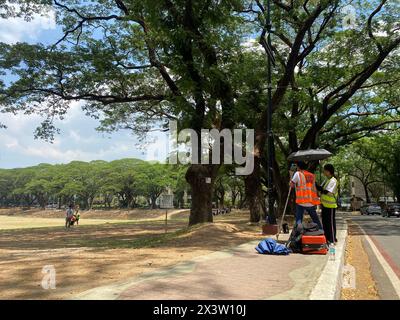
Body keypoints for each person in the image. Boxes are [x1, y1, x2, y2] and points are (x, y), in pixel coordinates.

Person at [290, 161, 323, 230]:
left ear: (298, 167)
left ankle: (298, 234)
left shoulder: (297, 174)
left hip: (301, 201)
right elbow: (314, 188)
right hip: (311, 201)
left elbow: (291, 185)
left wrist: (291, 176)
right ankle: (321, 232)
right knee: (315, 219)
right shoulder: (312, 175)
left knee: (299, 219)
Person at [317, 164, 338, 244]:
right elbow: (323, 190)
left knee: (330, 223)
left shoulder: (333, 180)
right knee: (325, 222)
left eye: (324, 170)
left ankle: (332, 239)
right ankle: (327, 238)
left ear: (328, 171)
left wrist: (320, 189)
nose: (323, 172)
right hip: (325, 205)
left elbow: (328, 192)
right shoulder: (327, 180)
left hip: (331, 205)